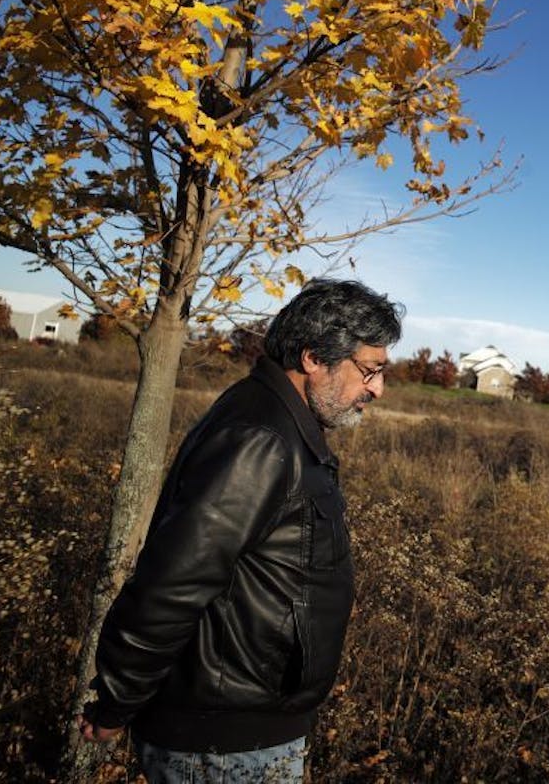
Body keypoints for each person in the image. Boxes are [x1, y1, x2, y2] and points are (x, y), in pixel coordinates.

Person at [78, 279, 401, 782]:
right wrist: (117, 703)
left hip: (240, 729)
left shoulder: (281, 426)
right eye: (370, 371)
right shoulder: (261, 440)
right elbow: (173, 585)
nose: (377, 389)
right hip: (222, 744)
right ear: (314, 357)